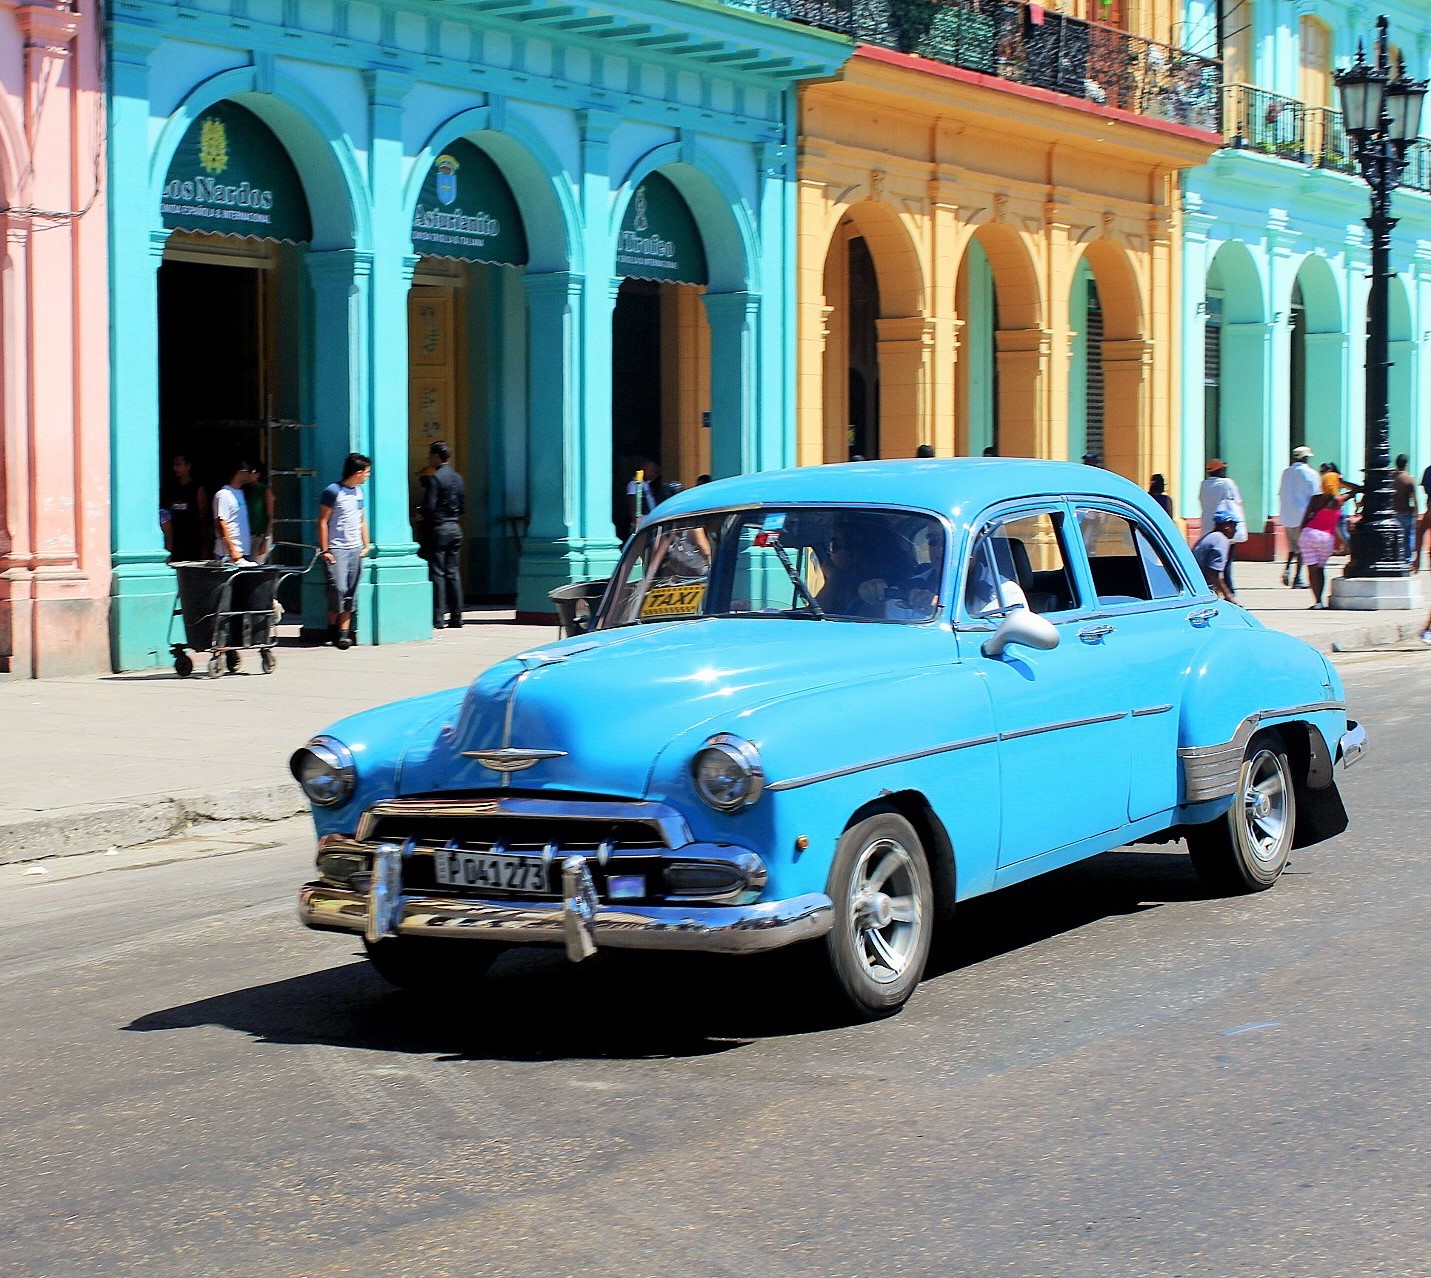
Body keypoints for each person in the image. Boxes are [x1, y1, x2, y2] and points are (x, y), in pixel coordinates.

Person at [318, 452, 371, 650]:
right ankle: (332, 628)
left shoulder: (359, 492)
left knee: (351, 592)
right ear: (357, 472)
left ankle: (343, 633)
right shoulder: (333, 491)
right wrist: (325, 550)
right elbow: (323, 521)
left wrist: (366, 545)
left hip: (355, 548)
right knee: (337, 589)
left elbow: (361, 520)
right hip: (337, 548)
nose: (367, 476)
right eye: (366, 472)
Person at [420, 441, 466, 630]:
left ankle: (438, 618)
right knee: (453, 573)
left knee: (438, 573)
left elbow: (429, 506)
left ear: (437, 456)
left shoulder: (435, 478)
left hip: (439, 529)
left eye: (431, 455)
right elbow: (463, 507)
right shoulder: (458, 478)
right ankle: (457, 618)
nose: (429, 458)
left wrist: (421, 513)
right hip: (455, 528)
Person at [1198, 460, 1247, 593]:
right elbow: (1237, 501)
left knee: (1213, 565)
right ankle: (1230, 592)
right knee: (1226, 565)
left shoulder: (1204, 485)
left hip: (1208, 529)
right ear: (1219, 470)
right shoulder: (1226, 483)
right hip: (1225, 529)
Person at [1297, 477, 1344, 609]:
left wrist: (1302, 532)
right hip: (1327, 538)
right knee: (1321, 569)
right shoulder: (1339, 501)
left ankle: (1317, 602)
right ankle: (1321, 600)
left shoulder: (1316, 499)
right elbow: (1357, 489)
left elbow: (1305, 518)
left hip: (1310, 534)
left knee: (1312, 570)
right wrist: (1341, 481)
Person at [1277, 445, 1319, 589]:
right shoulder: (1311, 473)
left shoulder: (1286, 472)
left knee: (1293, 546)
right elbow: (1316, 495)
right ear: (1306, 458)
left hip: (1287, 515)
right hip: (1303, 515)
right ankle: (1298, 578)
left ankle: (1288, 568)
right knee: (1302, 548)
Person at [161, 452, 209, 562]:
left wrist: (204, 545)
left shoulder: (197, 488)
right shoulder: (172, 489)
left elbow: (203, 517)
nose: (175, 468)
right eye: (174, 465)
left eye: (178, 464)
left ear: (188, 466)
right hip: (176, 541)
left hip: (193, 540)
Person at [212, 458, 257, 565]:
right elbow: (222, 523)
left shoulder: (240, 493)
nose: (250, 474)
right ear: (238, 472)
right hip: (229, 555)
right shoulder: (223, 494)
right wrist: (233, 551)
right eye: (248, 471)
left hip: (243, 552)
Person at [1192, 504, 1239, 603]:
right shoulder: (1220, 540)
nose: (1235, 530)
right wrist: (1228, 596)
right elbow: (1214, 573)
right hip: (1202, 587)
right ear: (1226, 526)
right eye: (1234, 526)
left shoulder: (1211, 537)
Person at [246, 461, 276, 563]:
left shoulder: (264, 490)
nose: (248, 474)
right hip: (247, 535)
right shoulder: (245, 490)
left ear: (258, 474)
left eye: (251, 471)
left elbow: (270, 516)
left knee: (255, 566)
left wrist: (266, 539)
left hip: (260, 536)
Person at [1392, 454, 1418, 565]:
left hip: (1394, 512)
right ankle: (1407, 559)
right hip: (1406, 512)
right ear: (1406, 465)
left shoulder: (1391, 478)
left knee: (1394, 536)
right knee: (1408, 536)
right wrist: (1416, 512)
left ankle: (1396, 556)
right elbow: (1414, 498)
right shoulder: (1409, 479)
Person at [624, 459, 660, 538]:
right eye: (652, 470)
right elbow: (632, 502)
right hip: (642, 522)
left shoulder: (647, 484)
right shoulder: (634, 484)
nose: (654, 473)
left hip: (650, 521)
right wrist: (635, 521)